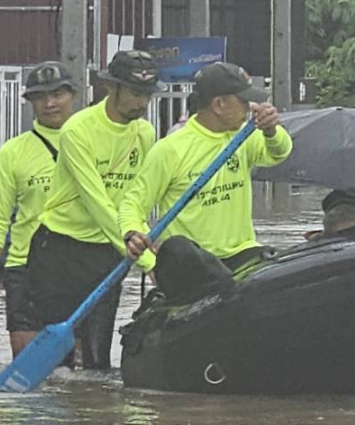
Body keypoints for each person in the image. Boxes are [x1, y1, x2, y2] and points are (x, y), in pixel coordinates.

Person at [25, 50, 160, 370]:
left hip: (109, 252)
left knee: (98, 359)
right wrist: (149, 261)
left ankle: (96, 417)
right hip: (60, 251)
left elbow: (136, 197)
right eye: (135, 94)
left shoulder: (145, 132)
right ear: (111, 88)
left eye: (148, 95)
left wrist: (142, 238)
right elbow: (97, 202)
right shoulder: (77, 131)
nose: (142, 103)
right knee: (61, 361)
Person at [119, 62, 292, 274]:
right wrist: (134, 234)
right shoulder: (171, 149)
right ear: (219, 104)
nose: (249, 109)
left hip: (241, 252)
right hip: (193, 262)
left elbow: (279, 153)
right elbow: (132, 205)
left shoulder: (243, 136)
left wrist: (272, 131)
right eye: (243, 102)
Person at [0, 62, 77, 356]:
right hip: (26, 269)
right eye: (40, 96)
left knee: (83, 374)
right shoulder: (12, 153)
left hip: (81, 266)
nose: (50, 103)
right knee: (30, 368)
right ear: (30, 102)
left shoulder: (93, 144)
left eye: (58, 94)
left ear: (73, 95)